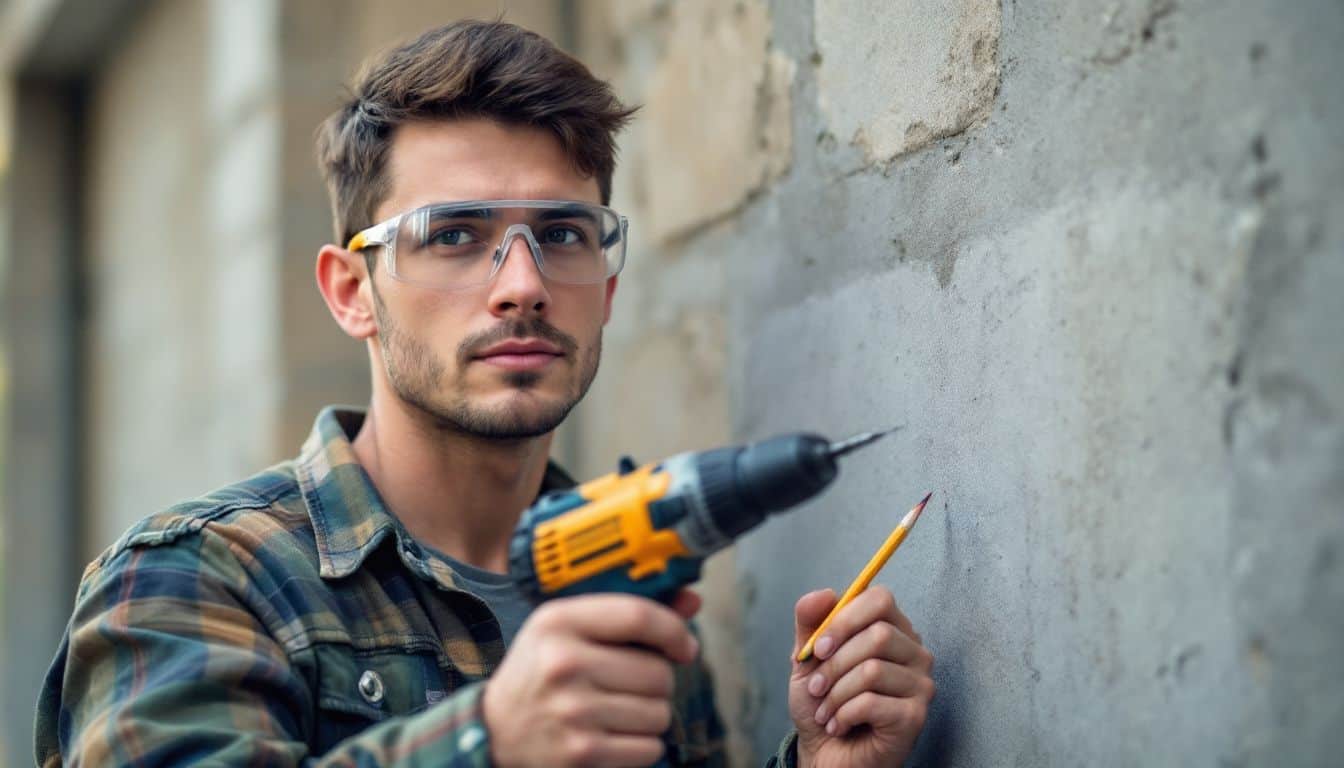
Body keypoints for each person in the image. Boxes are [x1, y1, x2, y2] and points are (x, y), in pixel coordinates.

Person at [35, 20, 934, 768]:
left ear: (609, 291)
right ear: (353, 292)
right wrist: (488, 742)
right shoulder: (194, 580)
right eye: (456, 234)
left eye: (563, 233)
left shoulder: (630, 589)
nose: (522, 284)